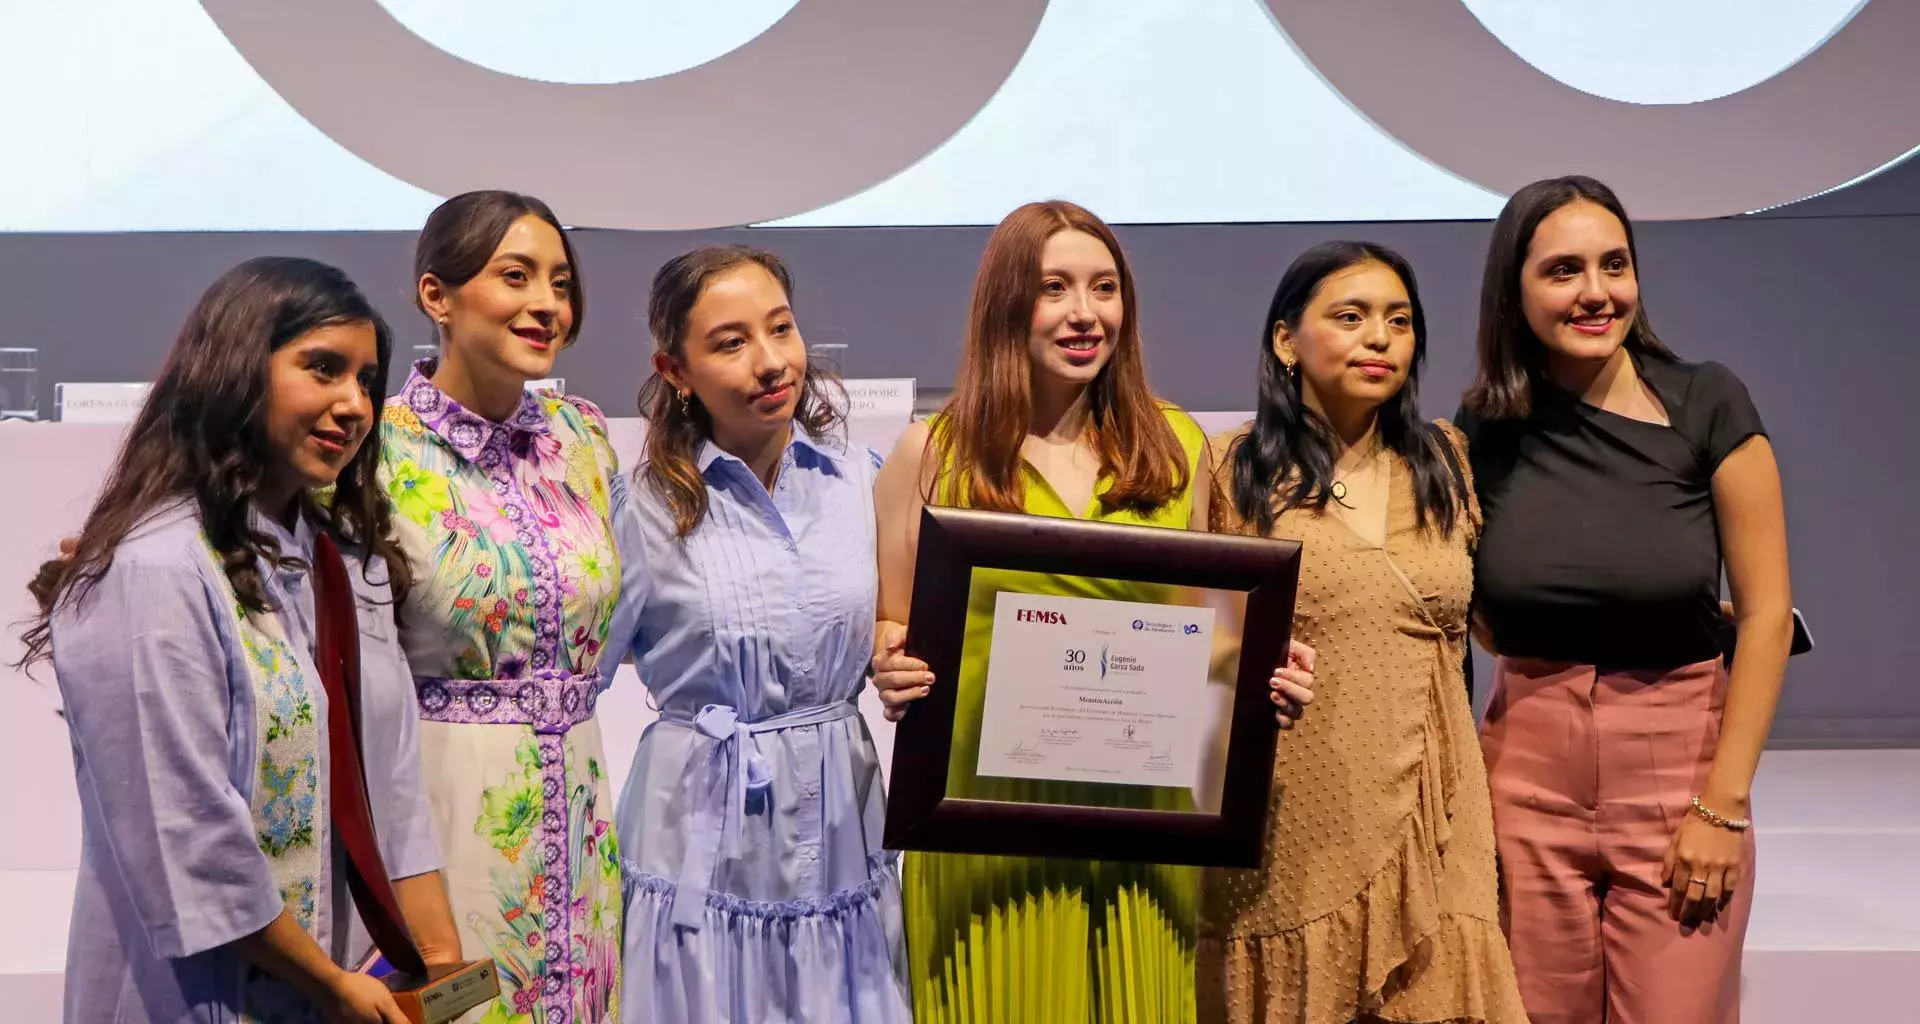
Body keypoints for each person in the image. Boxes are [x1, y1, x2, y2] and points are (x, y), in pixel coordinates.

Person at [869, 200, 1315, 1022]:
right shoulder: (931, 454)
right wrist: (893, 669)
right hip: (985, 844)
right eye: (1055, 289)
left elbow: (1221, 635)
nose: (1086, 314)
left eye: (1104, 288)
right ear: (1007, 304)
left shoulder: (1178, 446)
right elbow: (892, 630)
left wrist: (1267, 679)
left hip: (1141, 838)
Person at [18, 257, 460, 1023]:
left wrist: (439, 960)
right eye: (322, 368)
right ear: (236, 371)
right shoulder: (153, 568)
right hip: (202, 994)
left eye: (366, 380)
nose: (353, 403)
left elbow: (390, 783)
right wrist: (326, 983)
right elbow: (185, 830)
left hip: (347, 983)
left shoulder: (345, 562)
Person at [1457, 175, 1793, 1024]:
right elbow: (1465, 605)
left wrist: (1723, 806)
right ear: (1515, 289)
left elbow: (1763, 618)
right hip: (1523, 777)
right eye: (1563, 270)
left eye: (1615, 265)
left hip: (1680, 770)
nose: (1596, 292)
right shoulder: (1480, 432)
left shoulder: (1707, 402)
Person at [1198, 242, 1527, 1024]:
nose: (1380, 339)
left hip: (1437, 806)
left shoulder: (1445, 459)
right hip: (1291, 810)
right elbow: (1189, 638)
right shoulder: (1230, 469)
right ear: (1287, 340)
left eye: (1399, 321)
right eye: (1350, 317)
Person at [598, 244, 910, 1022]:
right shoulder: (640, 507)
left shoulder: (859, 477)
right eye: (731, 343)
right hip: (699, 838)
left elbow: (890, 628)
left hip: (842, 824)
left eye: (782, 329)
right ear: (675, 370)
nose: (771, 363)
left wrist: (892, 661)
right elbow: (578, 674)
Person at [378, 191, 625, 1023]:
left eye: (560, 282)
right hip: (447, 802)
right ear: (435, 296)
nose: (546, 304)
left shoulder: (583, 435)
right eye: (515, 276)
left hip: (586, 806)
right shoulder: (376, 449)